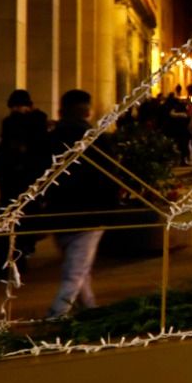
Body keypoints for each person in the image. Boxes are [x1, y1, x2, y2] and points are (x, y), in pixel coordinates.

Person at [44, 90, 118, 319]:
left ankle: (89, 307)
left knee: (77, 265)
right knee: (76, 270)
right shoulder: (95, 137)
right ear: (87, 110)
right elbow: (110, 173)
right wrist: (111, 206)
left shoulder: (51, 138)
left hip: (59, 209)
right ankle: (57, 314)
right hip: (90, 210)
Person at [0, 89, 49, 207]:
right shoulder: (9, 121)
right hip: (11, 169)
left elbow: (39, 144)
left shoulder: (38, 120)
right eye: (13, 107)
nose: (16, 110)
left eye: (18, 106)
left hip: (30, 168)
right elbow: (4, 145)